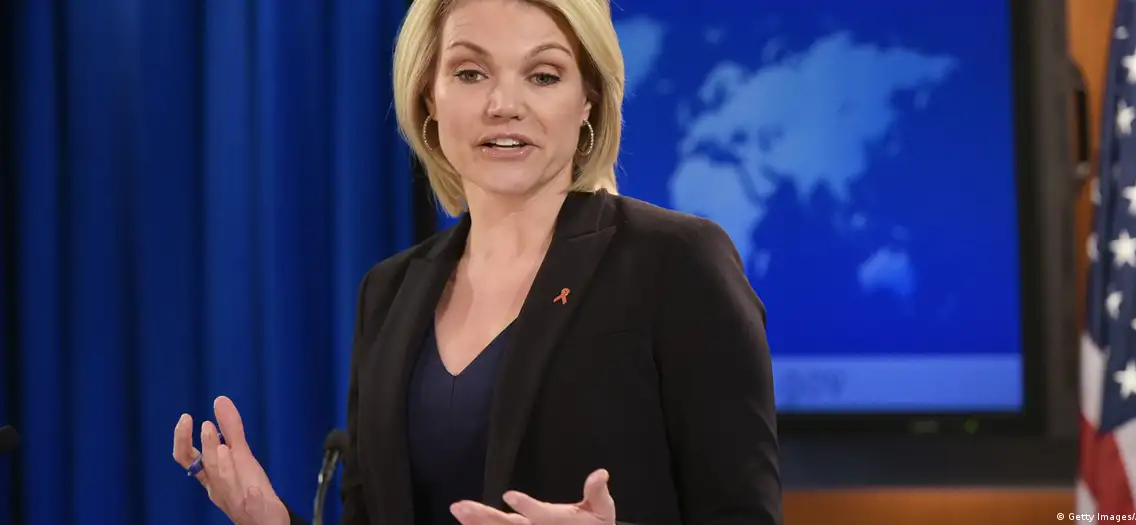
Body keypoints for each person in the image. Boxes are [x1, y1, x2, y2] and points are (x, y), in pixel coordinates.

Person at [171, 0, 783, 523]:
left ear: (589, 99)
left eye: (543, 75)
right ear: (428, 97)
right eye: (470, 72)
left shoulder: (676, 263)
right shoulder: (387, 292)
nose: (503, 104)